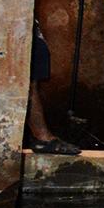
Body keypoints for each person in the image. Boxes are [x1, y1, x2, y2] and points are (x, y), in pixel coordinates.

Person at [27, 20, 80, 154]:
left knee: (30, 85)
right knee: (28, 85)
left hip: (28, 30)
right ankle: (42, 138)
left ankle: (42, 137)